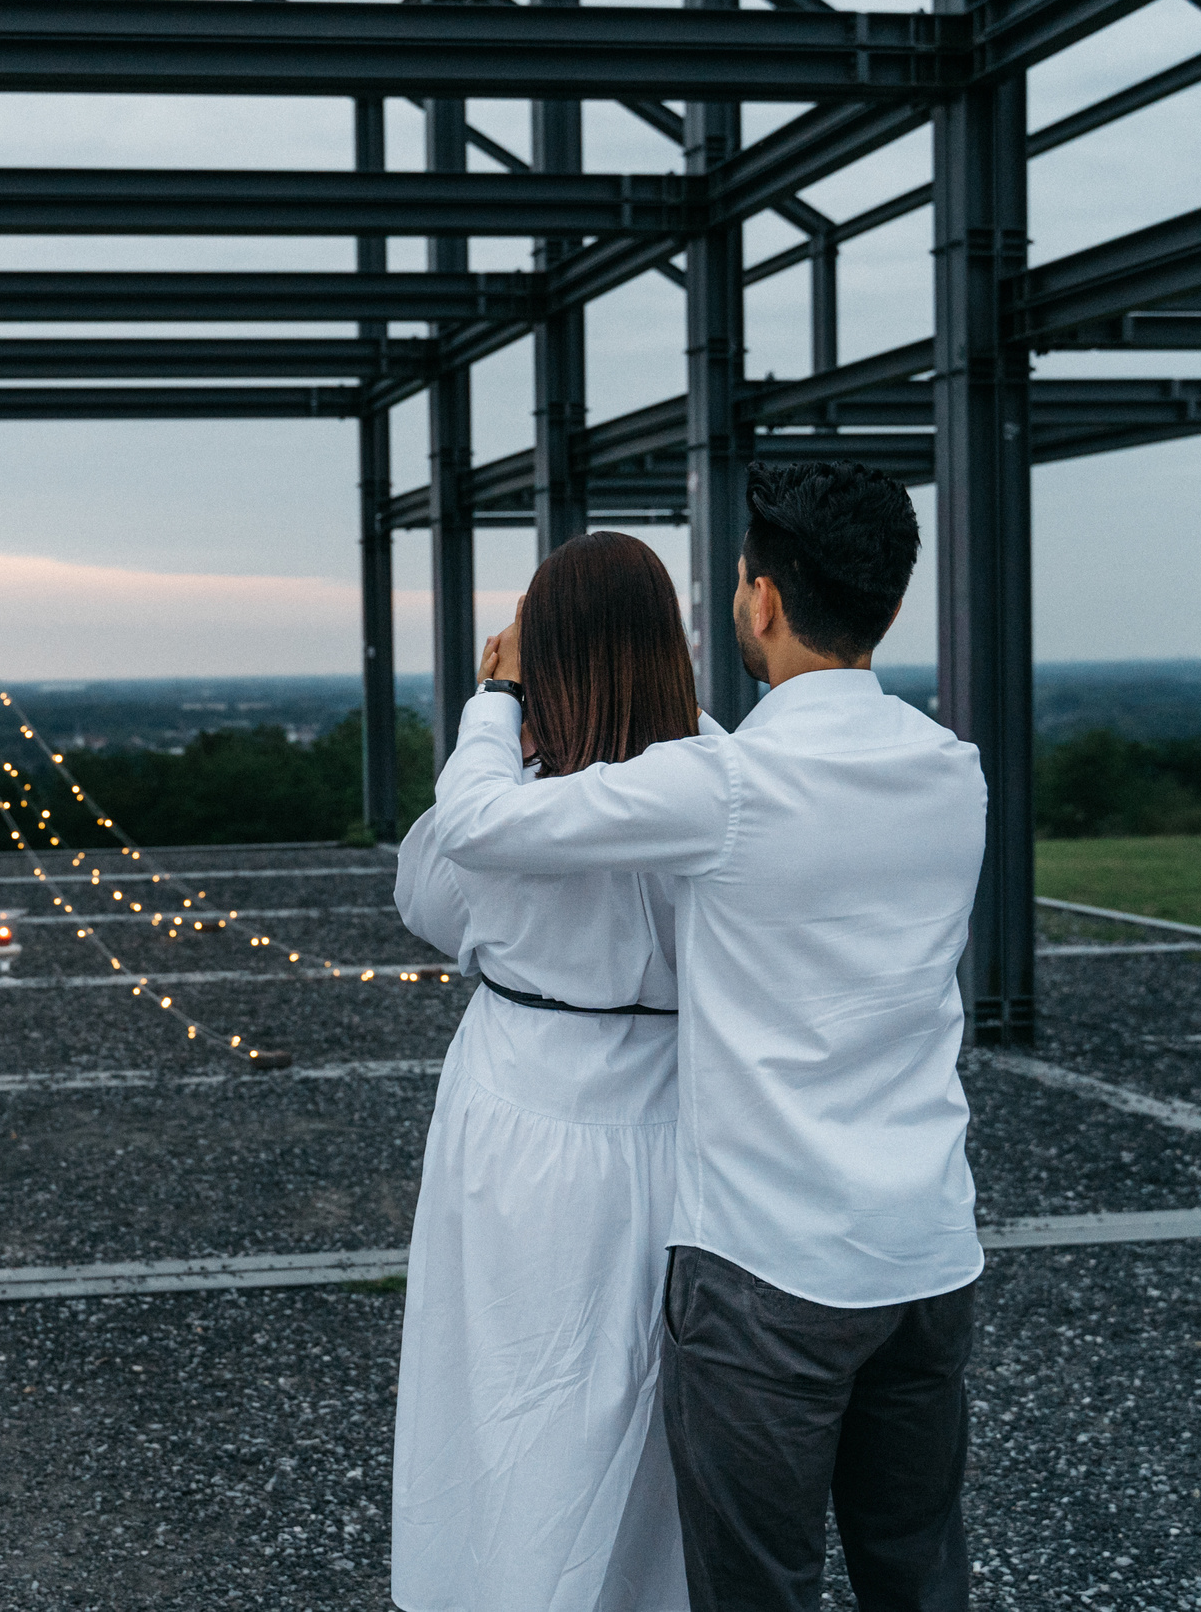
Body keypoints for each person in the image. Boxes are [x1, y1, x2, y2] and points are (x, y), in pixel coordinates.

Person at [426, 462, 989, 1612]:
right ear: (887, 603)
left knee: (754, 1585)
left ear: (763, 602)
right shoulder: (953, 774)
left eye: (736, 581)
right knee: (917, 1571)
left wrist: (500, 691)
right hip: (928, 1251)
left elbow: (474, 827)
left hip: (768, 1266)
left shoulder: (725, 786)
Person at [390, 530, 704, 1612]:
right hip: (679, 1115)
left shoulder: (510, 805)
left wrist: (499, 702)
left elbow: (427, 898)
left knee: (505, 1394)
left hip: (521, 1110)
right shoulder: (712, 788)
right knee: (650, 1414)